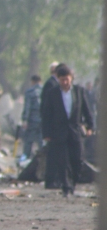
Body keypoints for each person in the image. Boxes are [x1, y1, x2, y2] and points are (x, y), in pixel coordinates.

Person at [41, 65, 93, 197]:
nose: (65, 82)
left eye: (67, 79)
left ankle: (73, 183)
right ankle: (66, 186)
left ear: (71, 78)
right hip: (58, 132)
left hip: (75, 131)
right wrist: (46, 133)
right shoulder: (52, 93)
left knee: (77, 160)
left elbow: (87, 110)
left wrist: (90, 126)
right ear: (58, 79)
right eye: (62, 79)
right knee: (62, 161)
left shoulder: (79, 92)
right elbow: (46, 114)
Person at [41, 62, 62, 189]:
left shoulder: (57, 85)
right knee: (53, 155)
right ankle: (51, 181)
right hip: (53, 126)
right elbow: (46, 108)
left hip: (59, 127)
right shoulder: (50, 85)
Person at [20, 75, 43, 159]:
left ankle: (25, 160)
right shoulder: (46, 91)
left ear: (32, 82)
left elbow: (27, 107)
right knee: (42, 143)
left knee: (28, 142)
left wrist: (25, 120)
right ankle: (43, 162)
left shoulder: (29, 92)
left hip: (32, 121)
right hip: (43, 121)